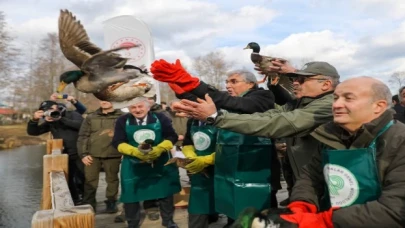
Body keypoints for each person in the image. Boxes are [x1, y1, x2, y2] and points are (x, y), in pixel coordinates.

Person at [167, 61, 339, 195]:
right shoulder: (299, 103)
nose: (294, 83)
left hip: (329, 183)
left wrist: (214, 115)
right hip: (305, 181)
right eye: (294, 79)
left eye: (301, 80)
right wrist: (188, 93)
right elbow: (267, 116)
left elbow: (280, 123)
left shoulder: (329, 105)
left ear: (325, 84)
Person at [263, 76, 405, 227]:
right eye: (335, 98)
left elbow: (395, 209)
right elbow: (310, 177)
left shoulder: (399, 140)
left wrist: (322, 221)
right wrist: (301, 206)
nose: (336, 105)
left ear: (378, 106)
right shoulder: (330, 137)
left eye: (348, 98)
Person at [151, 61, 275, 227]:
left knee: (255, 215)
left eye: (233, 81)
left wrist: (194, 83)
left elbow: (235, 104)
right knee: (234, 208)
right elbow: (207, 100)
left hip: (257, 170)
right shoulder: (230, 100)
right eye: (226, 82)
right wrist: (183, 89)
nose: (228, 85)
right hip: (230, 167)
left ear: (251, 83)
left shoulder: (262, 97)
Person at [112, 97, 180, 228]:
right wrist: (133, 151)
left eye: (140, 106)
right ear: (129, 109)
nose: (137, 110)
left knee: (165, 191)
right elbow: (117, 141)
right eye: (133, 107)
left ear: (148, 107)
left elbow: (172, 136)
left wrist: (160, 148)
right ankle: (132, 223)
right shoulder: (123, 120)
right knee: (131, 193)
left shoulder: (160, 118)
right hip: (133, 163)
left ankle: (168, 221)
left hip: (159, 162)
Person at [27, 100, 84, 204]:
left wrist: (60, 118)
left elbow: (81, 126)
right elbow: (33, 132)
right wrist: (34, 120)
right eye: (47, 111)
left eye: (52, 109)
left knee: (84, 177)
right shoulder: (51, 122)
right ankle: (75, 200)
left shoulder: (72, 114)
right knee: (68, 178)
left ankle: (87, 199)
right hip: (65, 154)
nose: (51, 112)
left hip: (81, 152)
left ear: (57, 107)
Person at [77, 100, 124, 213]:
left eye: (108, 99)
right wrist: (83, 154)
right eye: (102, 99)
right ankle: (89, 203)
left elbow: (126, 135)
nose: (104, 102)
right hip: (92, 155)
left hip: (114, 153)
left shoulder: (122, 117)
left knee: (112, 180)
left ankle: (111, 202)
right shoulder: (91, 117)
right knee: (90, 180)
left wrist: (124, 151)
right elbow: (83, 136)